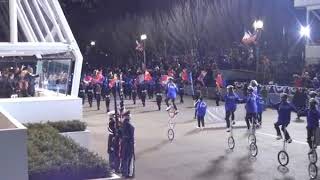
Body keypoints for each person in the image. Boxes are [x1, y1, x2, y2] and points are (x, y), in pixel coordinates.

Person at [120, 110, 135, 178]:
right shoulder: (129, 125)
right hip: (129, 143)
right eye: (129, 115)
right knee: (129, 159)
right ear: (127, 116)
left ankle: (124, 172)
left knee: (125, 158)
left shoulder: (123, 123)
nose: (130, 116)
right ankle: (128, 173)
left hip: (124, 142)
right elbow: (131, 136)